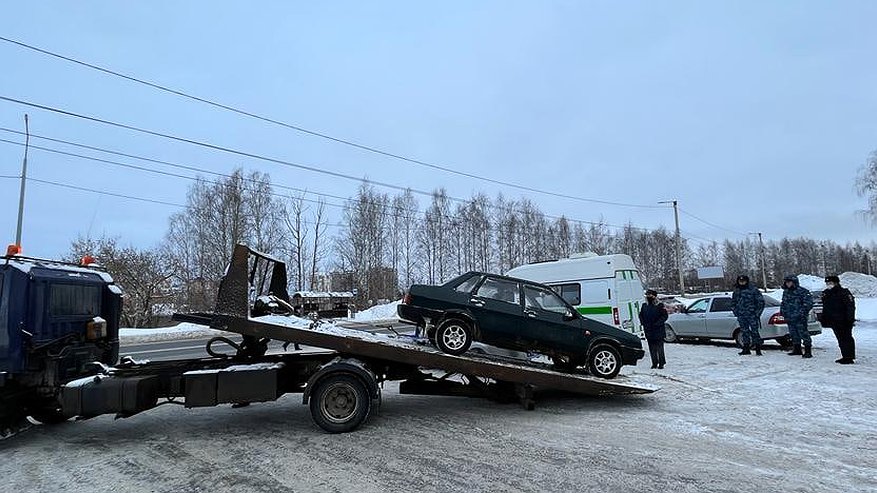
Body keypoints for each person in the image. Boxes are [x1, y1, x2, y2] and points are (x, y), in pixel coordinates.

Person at [821, 275, 857, 364]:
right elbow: (825, 307)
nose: (829, 285)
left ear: (836, 283)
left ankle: (849, 357)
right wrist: (824, 319)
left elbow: (850, 306)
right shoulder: (827, 293)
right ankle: (845, 356)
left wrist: (850, 319)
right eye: (827, 283)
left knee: (846, 338)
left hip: (844, 320)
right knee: (840, 339)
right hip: (834, 320)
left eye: (830, 283)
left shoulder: (844, 292)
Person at [780, 275, 815, 358]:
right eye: (786, 282)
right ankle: (797, 349)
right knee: (793, 334)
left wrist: (801, 313)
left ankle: (807, 351)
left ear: (794, 282)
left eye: (789, 282)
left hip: (800, 318)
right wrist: (783, 313)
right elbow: (783, 303)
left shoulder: (802, 291)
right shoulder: (786, 292)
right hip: (790, 317)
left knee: (803, 334)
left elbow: (808, 303)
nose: (788, 284)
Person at [731, 275, 765, 355]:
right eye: (740, 281)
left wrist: (757, 314)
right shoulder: (736, 291)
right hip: (742, 315)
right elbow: (733, 303)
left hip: (752, 315)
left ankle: (758, 349)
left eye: (743, 281)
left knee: (755, 332)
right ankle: (746, 349)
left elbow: (761, 302)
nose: (742, 282)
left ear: (747, 281)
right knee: (744, 331)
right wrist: (736, 312)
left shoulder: (753, 290)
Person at [639, 289, 668, 369]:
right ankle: (654, 363)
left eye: (650, 295)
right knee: (652, 348)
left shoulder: (660, 305)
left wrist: (658, 323)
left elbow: (664, 316)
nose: (648, 297)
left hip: (658, 330)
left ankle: (661, 363)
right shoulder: (644, 305)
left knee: (659, 348)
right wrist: (643, 322)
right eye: (647, 295)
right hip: (648, 330)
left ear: (654, 296)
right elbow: (641, 315)